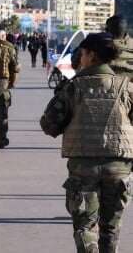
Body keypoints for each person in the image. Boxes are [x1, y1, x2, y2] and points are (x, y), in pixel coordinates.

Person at [40, 32, 133, 253]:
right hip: (119, 166)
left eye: (82, 54)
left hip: (83, 166)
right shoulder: (126, 87)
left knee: (85, 225)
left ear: (91, 55)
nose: (80, 58)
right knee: (111, 227)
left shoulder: (74, 87)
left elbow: (49, 124)